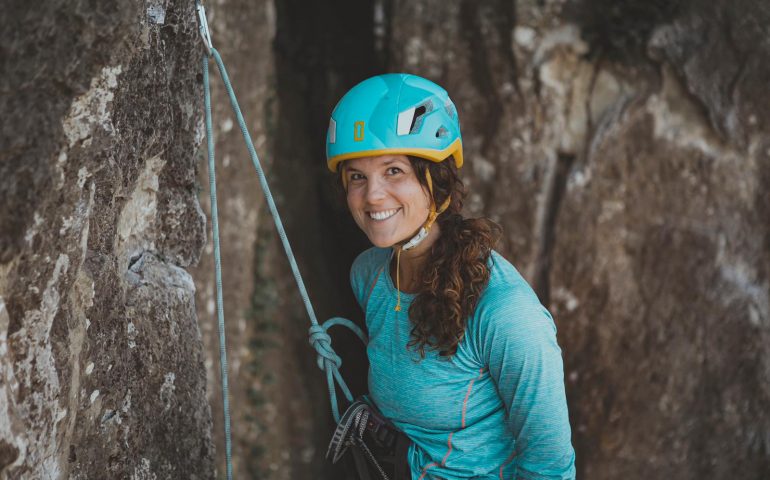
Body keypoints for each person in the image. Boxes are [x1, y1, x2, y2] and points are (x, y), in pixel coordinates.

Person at [326, 73, 576, 480]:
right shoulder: (369, 275)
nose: (372, 196)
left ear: (438, 179)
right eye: (357, 176)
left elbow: (550, 467)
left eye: (393, 171)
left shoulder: (506, 315)